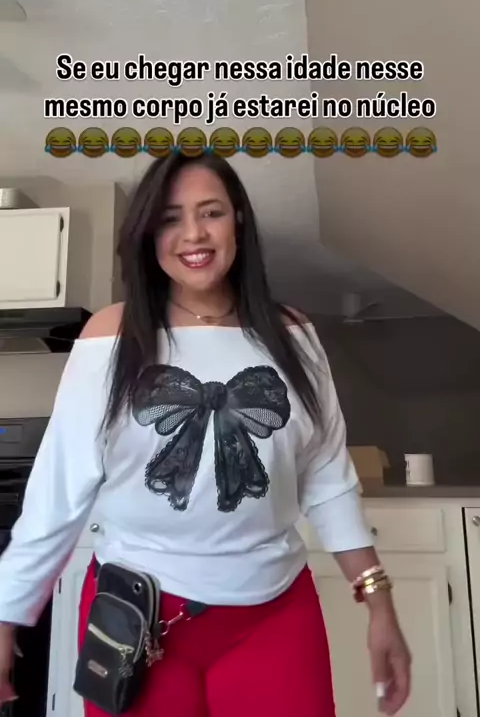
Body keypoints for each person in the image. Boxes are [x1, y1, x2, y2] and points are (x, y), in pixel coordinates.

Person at [0, 152, 411, 716]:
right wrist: (6, 615)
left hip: (275, 617)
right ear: (149, 234)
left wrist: (379, 602)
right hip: (136, 620)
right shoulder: (110, 336)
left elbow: (326, 477)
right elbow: (57, 491)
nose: (193, 233)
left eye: (211, 212)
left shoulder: (293, 335)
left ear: (237, 220)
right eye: (170, 218)